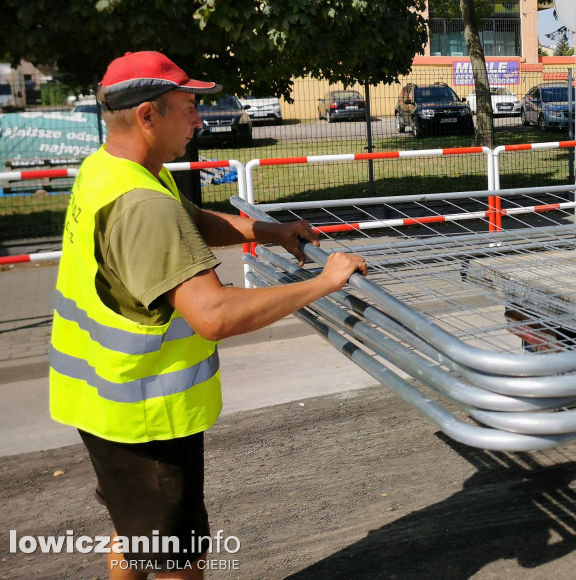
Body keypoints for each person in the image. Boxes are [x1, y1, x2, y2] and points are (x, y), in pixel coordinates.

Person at [49, 51, 367, 580]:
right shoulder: (141, 203)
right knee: (178, 560)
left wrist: (267, 231)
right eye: (188, 106)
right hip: (146, 418)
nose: (199, 118)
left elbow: (188, 220)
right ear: (148, 115)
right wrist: (324, 282)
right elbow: (214, 314)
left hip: (105, 403)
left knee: (133, 533)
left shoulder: (111, 170)